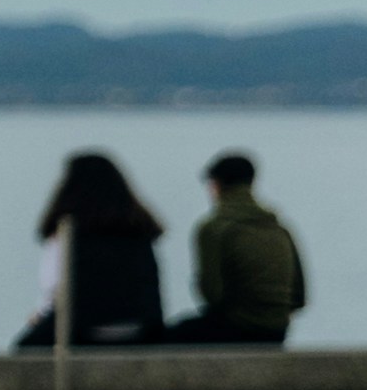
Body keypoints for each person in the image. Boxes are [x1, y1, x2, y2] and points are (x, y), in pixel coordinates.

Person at [18, 150, 168, 351]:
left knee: (24, 348)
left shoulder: (67, 234)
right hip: (142, 332)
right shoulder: (139, 231)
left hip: (83, 332)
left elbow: (53, 293)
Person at [184, 152, 308, 347]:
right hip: (277, 332)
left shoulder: (214, 228)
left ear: (216, 185)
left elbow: (213, 295)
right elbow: (299, 297)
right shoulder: (278, 228)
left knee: (158, 338)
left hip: (235, 330)